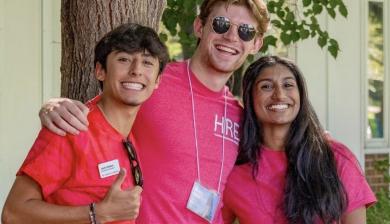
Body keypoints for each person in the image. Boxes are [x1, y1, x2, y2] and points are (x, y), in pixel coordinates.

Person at [35, 0, 270, 223]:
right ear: (199, 26)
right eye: (221, 24)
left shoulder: (242, 116)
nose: (231, 37)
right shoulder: (153, 80)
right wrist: (55, 106)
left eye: (246, 31)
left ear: (256, 44)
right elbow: (100, 114)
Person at [1, 23, 169, 224]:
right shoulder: (70, 128)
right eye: (124, 59)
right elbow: (13, 213)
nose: (136, 70)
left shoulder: (135, 133)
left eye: (147, 62)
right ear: (100, 71)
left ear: (158, 80)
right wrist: (97, 213)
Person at [222, 56, 377, 224]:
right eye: (266, 86)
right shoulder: (233, 171)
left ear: (301, 95)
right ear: (250, 97)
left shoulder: (336, 158)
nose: (279, 95)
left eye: (288, 85)